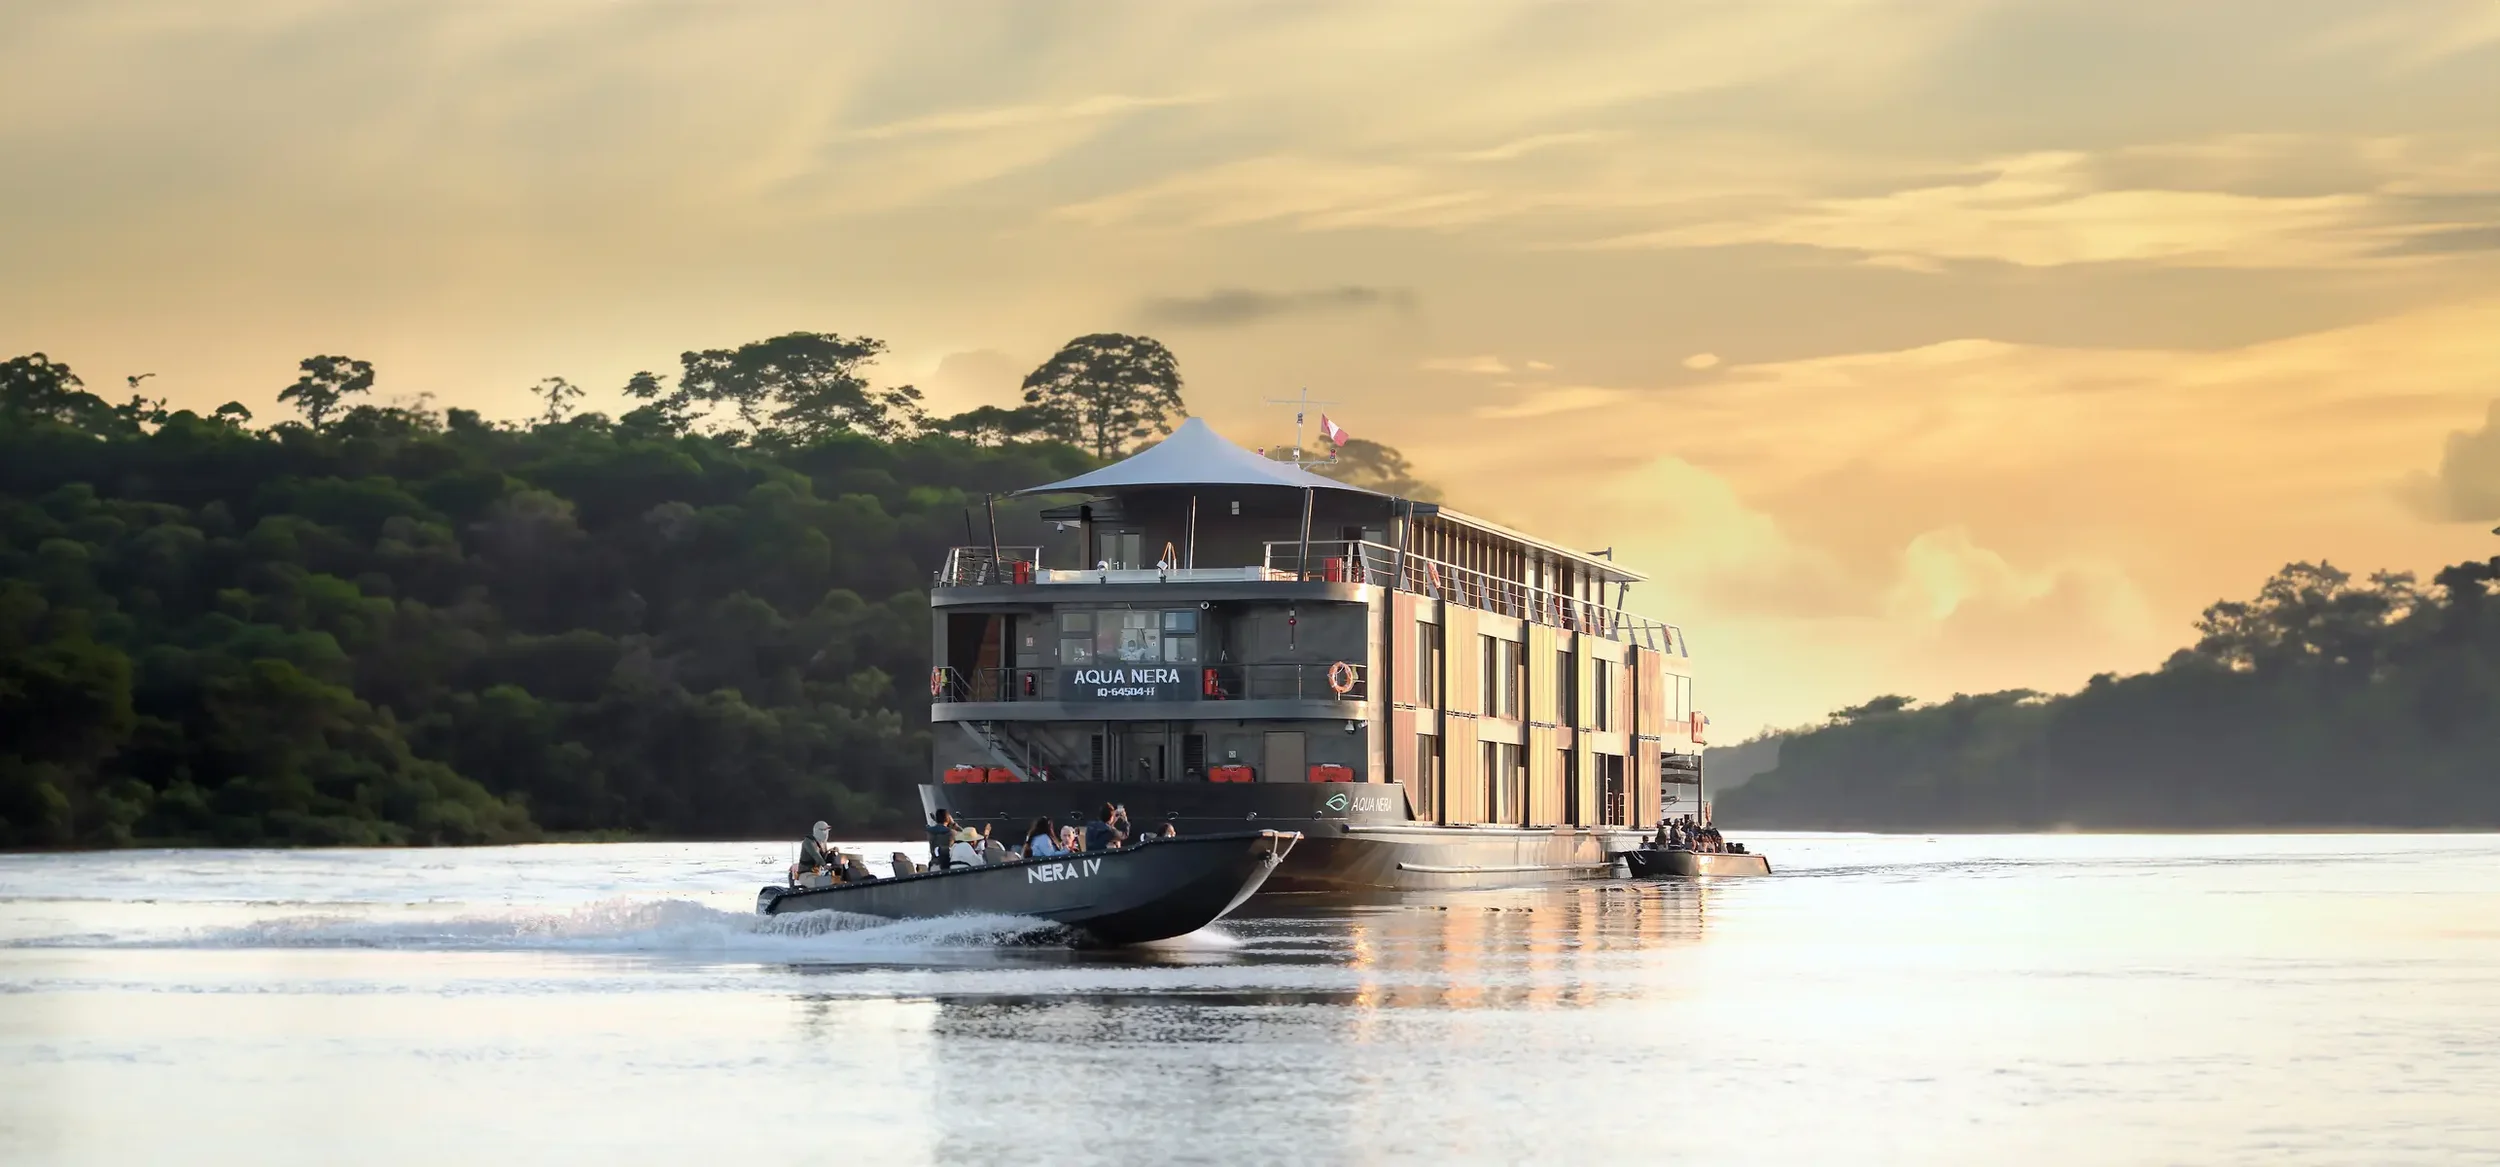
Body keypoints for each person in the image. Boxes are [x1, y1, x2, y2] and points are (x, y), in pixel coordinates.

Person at [790, 821, 840, 885]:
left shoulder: (822, 843)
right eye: (824, 830)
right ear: (818, 831)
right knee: (824, 883)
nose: (826, 833)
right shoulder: (808, 842)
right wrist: (824, 865)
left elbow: (823, 857)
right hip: (806, 875)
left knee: (836, 880)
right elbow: (815, 855)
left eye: (827, 830)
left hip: (817, 874)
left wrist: (833, 856)